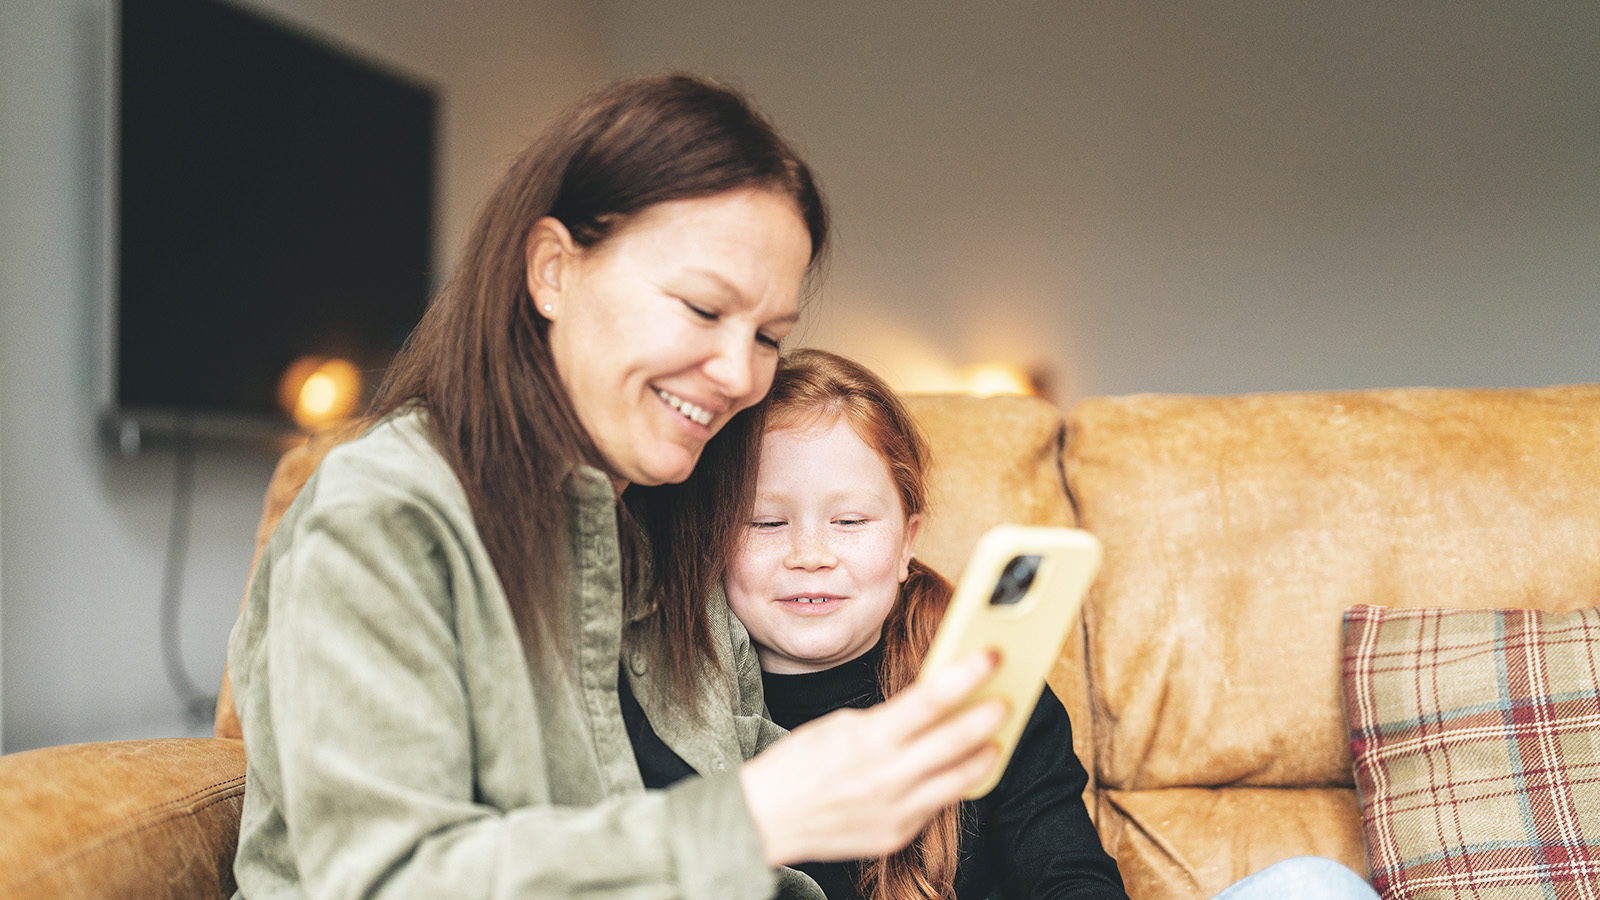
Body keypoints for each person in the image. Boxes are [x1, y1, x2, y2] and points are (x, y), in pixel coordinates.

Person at [226, 74, 1006, 900]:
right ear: (552, 271)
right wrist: (753, 816)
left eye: (769, 336)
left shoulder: (666, 540)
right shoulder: (385, 516)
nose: (741, 374)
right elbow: (392, 879)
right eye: (704, 310)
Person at [720, 349, 1384, 900]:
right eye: (767, 522)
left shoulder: (988, 687)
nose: (811, 554)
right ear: (709, 540)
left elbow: (1072, 879)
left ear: (905, 544)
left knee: (1314, 884)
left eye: (850, 522)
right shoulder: (677, 714)